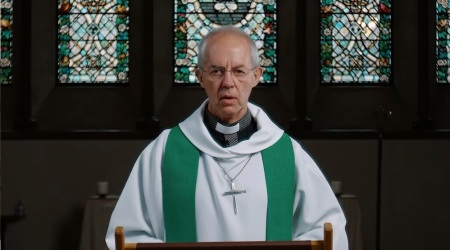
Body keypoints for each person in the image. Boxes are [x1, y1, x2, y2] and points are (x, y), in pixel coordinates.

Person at [105, 25, 348, 250]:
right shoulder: (164, 152)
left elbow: (328, 231)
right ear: (200, 77)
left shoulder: (286, 153)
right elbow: (127, 235)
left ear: (256, 76)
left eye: (239, 71)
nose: (228, 83)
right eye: (217, 71)